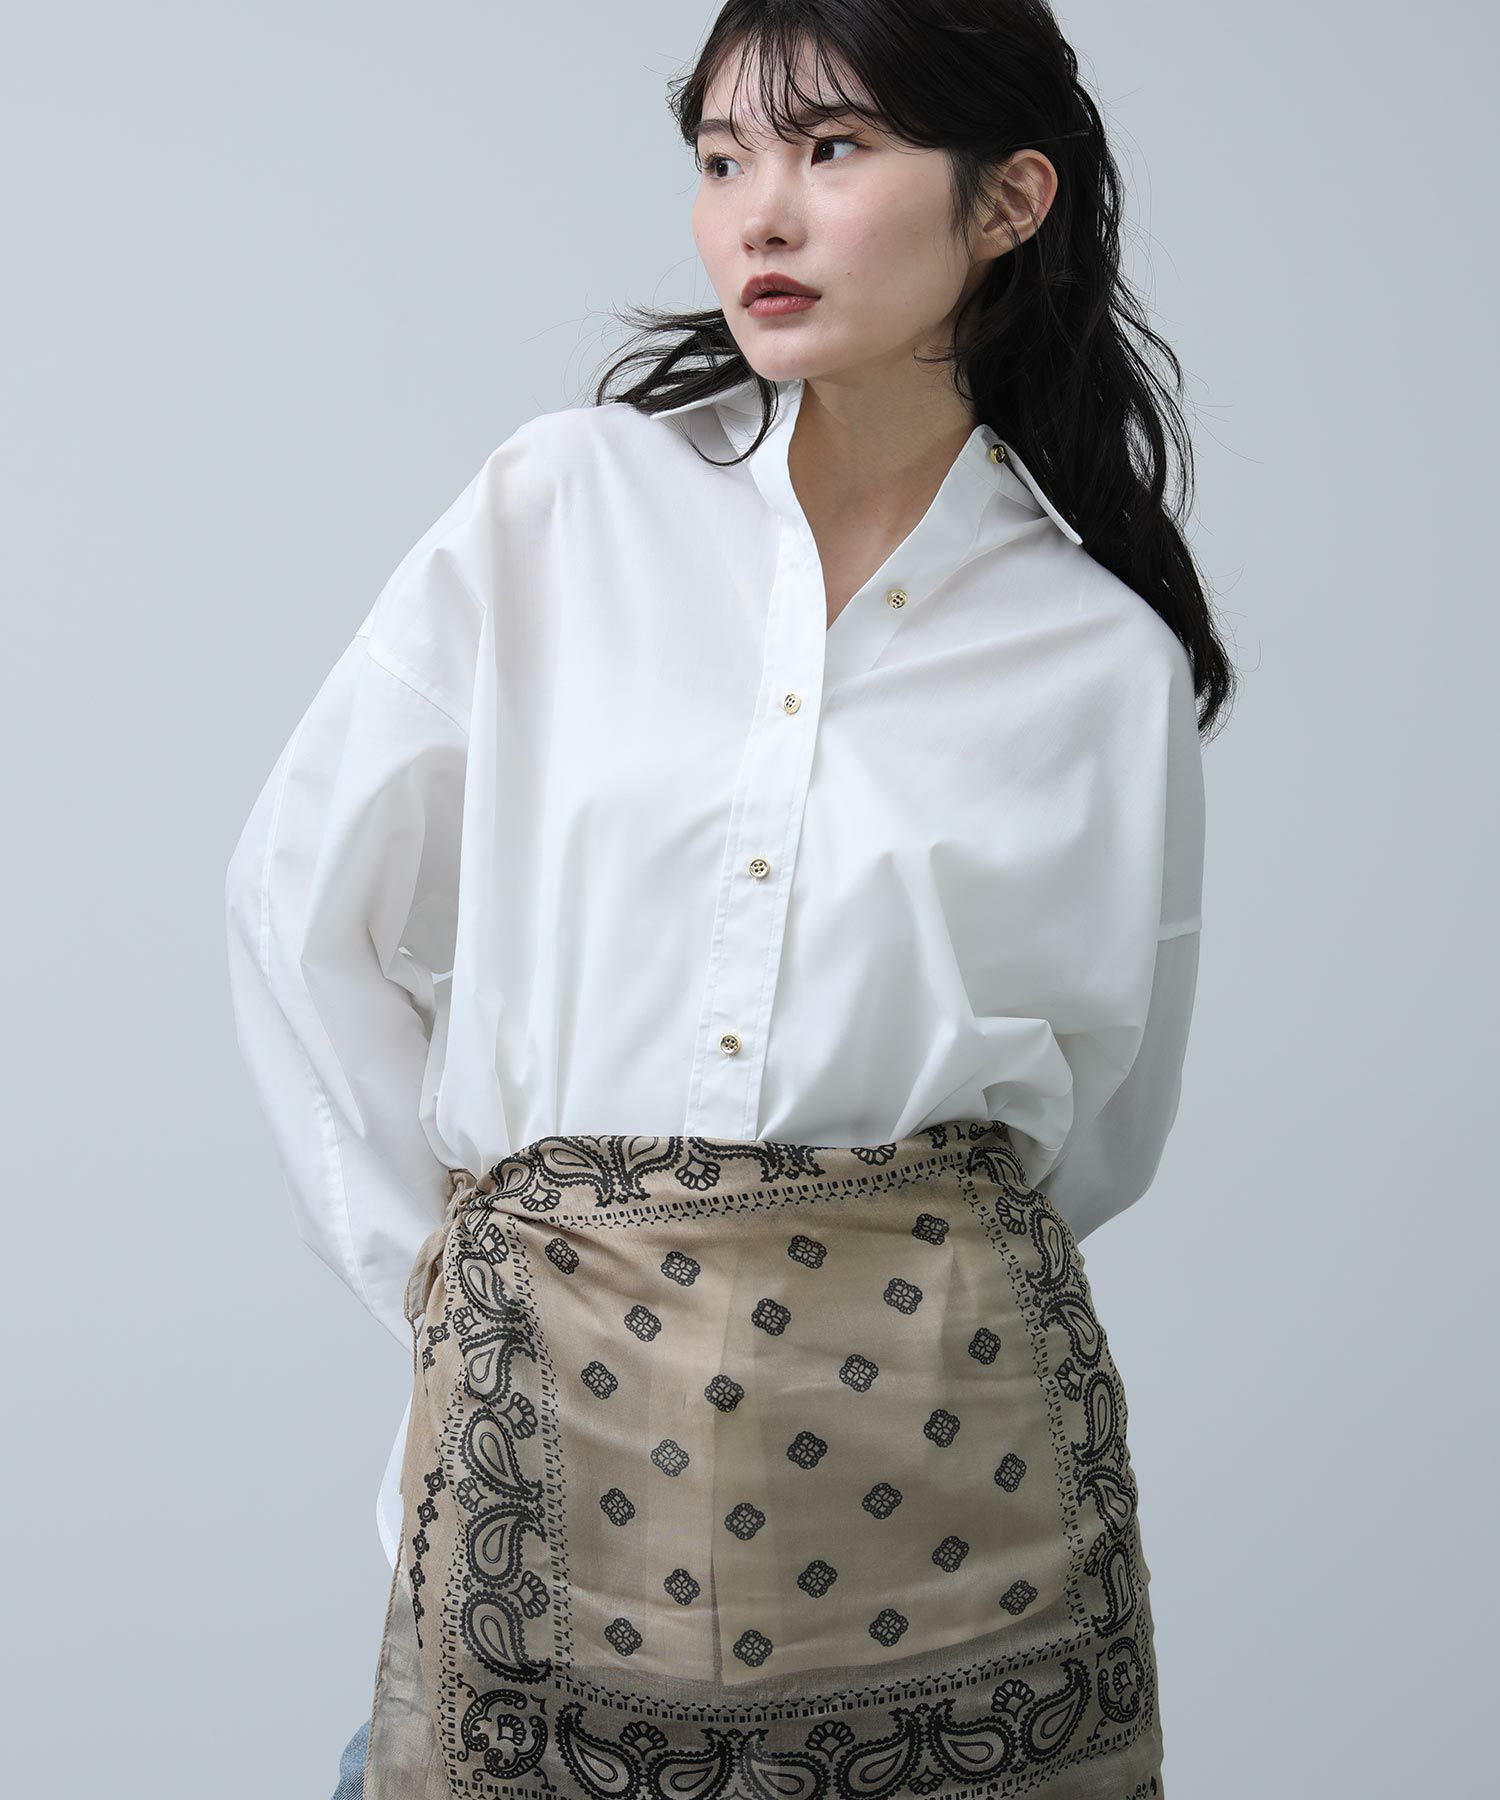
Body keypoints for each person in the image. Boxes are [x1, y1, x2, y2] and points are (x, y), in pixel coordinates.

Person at [225, 3, 1235, 1794]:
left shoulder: (1100, 660)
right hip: (535, 1465)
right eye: (720, 158)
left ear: (1010, 200)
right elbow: (299, 907)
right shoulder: (558, 511)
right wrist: (463, 1290)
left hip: (953, 1507)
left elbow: (1096, 1129)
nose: (758, 212)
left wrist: (841, 1293)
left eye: (832, 150)